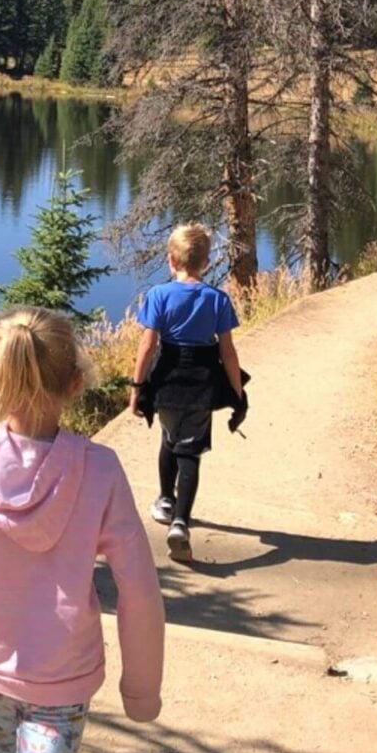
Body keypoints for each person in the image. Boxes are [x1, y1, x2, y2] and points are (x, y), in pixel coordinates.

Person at [0, 306, 164, 753]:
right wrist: (141, 689)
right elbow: (138, 587)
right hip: (65, 676)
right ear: (75, 383)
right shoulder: (99, 469)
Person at [128, 224, 243, 563]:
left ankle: (165, 499)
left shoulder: (158, 296)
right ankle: (180, 521)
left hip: (167, 380)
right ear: (206, 262)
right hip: (201, 383)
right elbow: (228, 352)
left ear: (171, 260)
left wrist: (137, 389)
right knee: (190, 452)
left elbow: (148, 346)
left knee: (168, 436)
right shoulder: (218, 299)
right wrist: (237, 392)